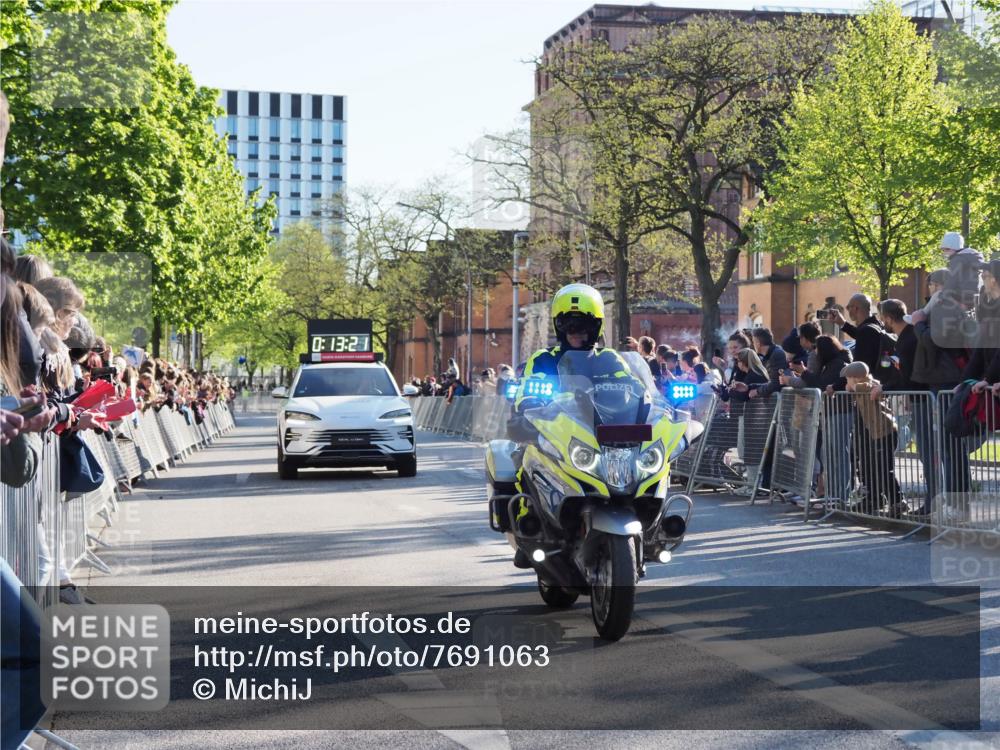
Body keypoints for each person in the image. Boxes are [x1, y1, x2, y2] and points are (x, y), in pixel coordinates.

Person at [514, 283, 630, 412]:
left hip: (604, 427)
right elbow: (525, 391)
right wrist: (529, 401)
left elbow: (631, 386)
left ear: (596, 327)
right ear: (559, 327)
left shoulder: (609, 358)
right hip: (555, 429)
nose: (575, 333)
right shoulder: (543, 359)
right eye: (568, 326)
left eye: (583, 327)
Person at [878, 298, 933, 514]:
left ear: (889, 318)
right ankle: (933, 500)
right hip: (922, 397)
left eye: (883, 318)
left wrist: (885, 388)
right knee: (927, 451)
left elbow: (907, 377)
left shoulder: (905, 340)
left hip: (922, 399)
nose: (883, 322)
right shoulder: (911, 335)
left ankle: (933, 501)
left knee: (928, 452)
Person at [842, 361, 906, 517]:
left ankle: (898, 501)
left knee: (885, 469)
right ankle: (875, 498)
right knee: (870, 467)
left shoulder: (870, 384)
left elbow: (873, 388)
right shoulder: (859, 388)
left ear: (855, 378)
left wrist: (855, 387)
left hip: (884, 432)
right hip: (872, 433)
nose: (846, 382)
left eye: (848, 378)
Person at [908, 232, 984, 325]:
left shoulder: (957, 260)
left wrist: (944, 294)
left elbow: (952, 281)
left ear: (953, 248)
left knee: (937, 295)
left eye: (946, 250)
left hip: (962, 297)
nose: (944, 253)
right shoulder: (970, 258)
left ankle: (920, 316)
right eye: (943, 250)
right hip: (971, 297)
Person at [750, 327, 788, 399]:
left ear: (758, 343)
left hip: (786, 400)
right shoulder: (769, 355)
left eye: (753, 342)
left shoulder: (776, 355)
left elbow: (775, 383)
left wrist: (757, 391)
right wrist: (749, 387)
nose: (753, 345)